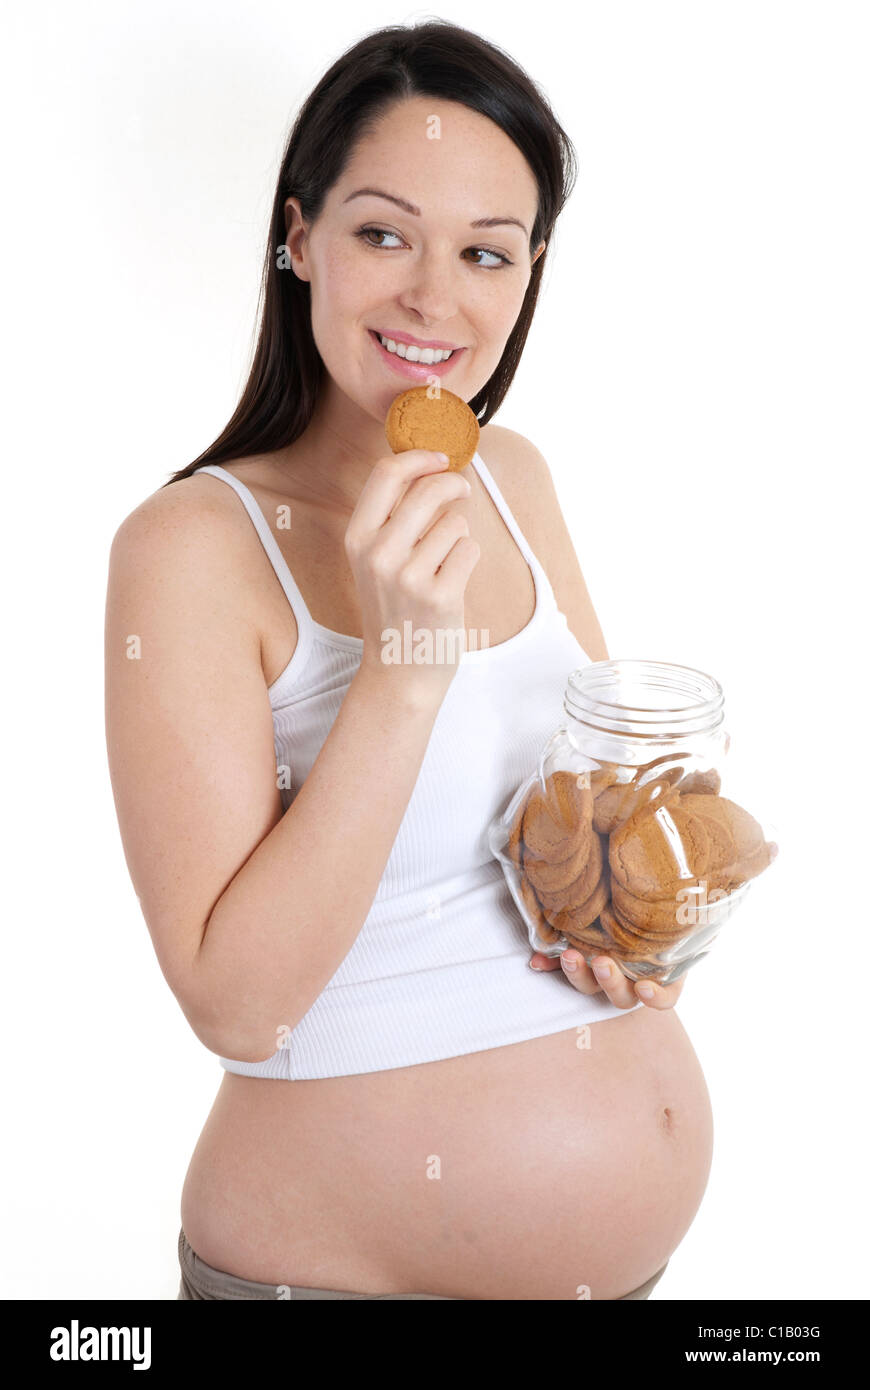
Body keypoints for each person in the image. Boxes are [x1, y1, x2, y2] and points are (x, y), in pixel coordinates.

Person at [104, 19, 713, 1301]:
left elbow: (582, 815)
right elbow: (236, 1007)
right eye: (383, 234)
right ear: (298, 236)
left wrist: (622, 926)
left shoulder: (518, 479)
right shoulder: (194, 549)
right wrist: (405, 664)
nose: (436, 299)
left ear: (527, 274)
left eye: (486, 253)